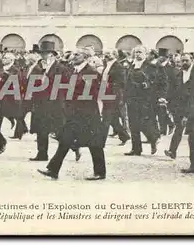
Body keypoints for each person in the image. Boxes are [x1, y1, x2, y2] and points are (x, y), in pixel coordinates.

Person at [38, 47, 105, 180]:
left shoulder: (91, 72)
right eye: (73, 54)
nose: (73, 56)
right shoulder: (75, 71)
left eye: (77, 54)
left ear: (85, 57)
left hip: (88, 114)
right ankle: (53, 169)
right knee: (65, 140)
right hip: (75, 113)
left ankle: (100, 172)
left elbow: (91, 93)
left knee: (94, 144)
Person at [29, 41, 68, 161]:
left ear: (52, 55)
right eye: (42, 54)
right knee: (41, 129)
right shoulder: (38, 67)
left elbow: (64, 85)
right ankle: (42, 154)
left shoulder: (60, 68)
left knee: (58, 130)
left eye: (45, 54)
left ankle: (74, 147)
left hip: (54, 103)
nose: (43, 56)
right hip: (40, 102)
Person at [124, 46, 163, 156]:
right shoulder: (131, 65)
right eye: (136, 52)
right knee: (132, 124)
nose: (137, 54)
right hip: (132, 97)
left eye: (140, 52)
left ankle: (153, 138)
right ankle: (136, 149)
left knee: (143, 122)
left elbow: (155, 80)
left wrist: (148, 84)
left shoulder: (150, 66)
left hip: (144, 98)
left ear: (145, 54)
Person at [164, 53, 194, 159]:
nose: (184, 63)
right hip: (180, 106)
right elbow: (174, 90)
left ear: (192, 60)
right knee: (179, 128)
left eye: (186, 60)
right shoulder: (179, 74)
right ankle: (172, 151)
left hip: (193, 106)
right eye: (182, 61)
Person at [100, 49, 129, 146]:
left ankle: (101, 142)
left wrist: (111, 87)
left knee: (106, 117)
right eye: (106, 53)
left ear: (115, 55)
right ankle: (124, 136)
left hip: (113, 94)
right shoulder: (107, 64)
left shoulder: (119, 66)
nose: (107, 55)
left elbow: (122, 83)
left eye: (109, 53)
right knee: (113, 119)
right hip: (105, 92)